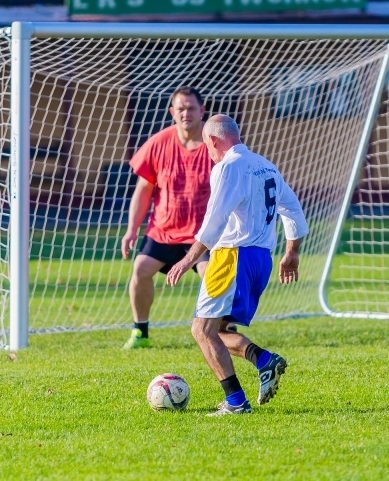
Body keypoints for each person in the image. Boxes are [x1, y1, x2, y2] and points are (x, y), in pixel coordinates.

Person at [167, 114, 309, 416]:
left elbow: (215, 219)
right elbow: (292, 208)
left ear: (214, 141)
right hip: (261, 260)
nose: (209, 152)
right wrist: (292, 251)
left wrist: (189, 258)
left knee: (201, 331)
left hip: (232, 256)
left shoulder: (227, 167)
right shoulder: (266, 165)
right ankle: (263, 360)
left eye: (208, 146)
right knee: (216, 330)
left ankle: (235, 402)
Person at [120, 86, 214, 349]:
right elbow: (143, 190)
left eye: (191, 108)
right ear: (172, 112)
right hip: (164, 231)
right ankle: (140, 332)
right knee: (140, 270)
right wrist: (131, 230)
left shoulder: (215, 143)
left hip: (203, 234)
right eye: (180, 109)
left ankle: (215, 331)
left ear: (202, 110)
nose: (186, 113)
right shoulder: (158, 143)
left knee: (212, 276)